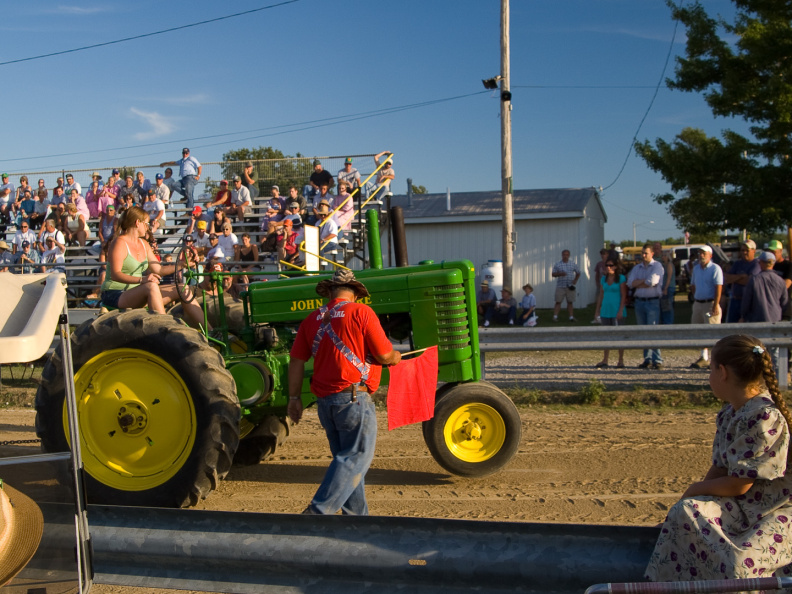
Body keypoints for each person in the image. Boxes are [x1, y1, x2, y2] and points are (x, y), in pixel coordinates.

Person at [645, 335, 792, 583]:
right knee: (686, 511)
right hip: (744, 507)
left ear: (722, 371)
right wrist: (686, 504)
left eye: (711, 368)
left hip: (775, 509)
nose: (709, 375)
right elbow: (720, 468)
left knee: (739, 564)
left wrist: (694, 489)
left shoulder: (764, 416)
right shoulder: (729, 413)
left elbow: (738, 483)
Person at [287, 269, 401, 515]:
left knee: (347, 464)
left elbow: (296, 361)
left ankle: (357, 524)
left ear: (329, 292)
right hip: (353, 399)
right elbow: (383, 355)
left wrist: (294, 399)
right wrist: (396, 357)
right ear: (356, 294)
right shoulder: (361, 312)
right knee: (355, 457)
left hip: (326, 404)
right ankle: (317, 513)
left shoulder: (311, 319)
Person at [100, 206, 204, 326]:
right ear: (137, 223)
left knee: (182, 288)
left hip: (137, 292)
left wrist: (183, 264)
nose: (148, 227)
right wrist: (142, 279)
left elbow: (158, 269)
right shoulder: (119, 243)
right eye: (146, 223)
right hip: (114, 294)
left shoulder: (144, 244)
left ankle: (211, 332)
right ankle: (169, 329)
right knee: (151, 286)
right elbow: (115, 274)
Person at [627, 243, 664, 369]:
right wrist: (643, 282)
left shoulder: (657, 266)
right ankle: (647, 358)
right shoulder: (637, 268)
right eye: (642, 253)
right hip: (639, 301)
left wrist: (639, 282)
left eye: (646, 253)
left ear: (652, 254)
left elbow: (652, 282)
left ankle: (657, 359)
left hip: (652, 301)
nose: (643, 255)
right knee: (643, 331)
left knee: (653, 330)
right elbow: (630, 283)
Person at [689, 245, 724, 369]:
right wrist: (696, 297)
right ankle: (703, 357)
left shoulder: (715, 269)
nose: (701, 255)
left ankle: (716, 358)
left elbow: (718, 287)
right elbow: (692, 284)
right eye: (700, 253)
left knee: (712, 330)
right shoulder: (696, 269)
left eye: (704, 253)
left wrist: (715, 304)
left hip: (710, 303)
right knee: (698, 330)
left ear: (710, 255)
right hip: (698, 303)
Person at [594, 259, 627, 369]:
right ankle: (605, 359)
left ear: (616, 266)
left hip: (616, 309)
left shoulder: (621, 279)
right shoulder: (603, 279)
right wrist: (597, 310)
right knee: (606, 336)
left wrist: (621, 310)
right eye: (607, 265)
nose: (608, 267)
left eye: (611, 265)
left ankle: (621, 360)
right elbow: (601, 295)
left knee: (619, 336)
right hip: (605, 310)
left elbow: (623, 295)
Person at [741, 251, 789, 324]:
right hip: (776, 320)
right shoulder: (781, 281)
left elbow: (746, 302)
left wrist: (744, 316)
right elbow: (784, 302)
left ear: (762, 263)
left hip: (757, 320)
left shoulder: (754, 280)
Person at [724, 239, 761, 323]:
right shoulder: (737, 263)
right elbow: (727, 279)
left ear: (753, 251)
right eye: (742, 250)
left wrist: (734, 278)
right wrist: (741, 276)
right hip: (735, 300)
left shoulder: (756, 264)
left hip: (749, 302)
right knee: (732, 326)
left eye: (747, 250)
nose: (744, 252)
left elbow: (749, 281)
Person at [551, 249, 580, 322]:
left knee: (570, 302)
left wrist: (575, 280)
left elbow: (578, 272)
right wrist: (560, 274)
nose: (565, 256)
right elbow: (553, 274)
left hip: (570, 286)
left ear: (569, 255)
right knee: (558, 301)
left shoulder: (572, 263)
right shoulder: (558, 264)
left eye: (567, 255)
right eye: (564, 254)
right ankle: (555, 317)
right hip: (560, 286)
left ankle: (571, 317)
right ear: (562, 255)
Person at [768, 239, 792, 320]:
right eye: (769, 252)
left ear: (780, 251)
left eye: (774, 252)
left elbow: (786, 284)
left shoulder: (788, 266)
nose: (772, 255)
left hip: (784, 307)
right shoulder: (768, 266)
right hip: (769, 309)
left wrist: (769, 289)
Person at [591, 248, 610, 324]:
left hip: (608, 285)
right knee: (599, 300)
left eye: (604, 254)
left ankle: (605, 316)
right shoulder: (599, 264)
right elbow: (597, 274)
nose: (603, 256)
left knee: (606, 301)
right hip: (601, 284)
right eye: (602, 254)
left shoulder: (610, 263)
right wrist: (597, 282)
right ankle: (597, 316)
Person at [660, 249, 676, 324]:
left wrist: (665, 288)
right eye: (662, 256)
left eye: (664, 256)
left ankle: (668, 322)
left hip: (669, 288)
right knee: (664, 306)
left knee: (668, 306)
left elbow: (669, 277)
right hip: (664, 287)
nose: (663, 257)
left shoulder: (669, 265)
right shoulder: (663, 265)